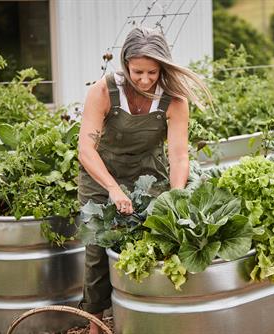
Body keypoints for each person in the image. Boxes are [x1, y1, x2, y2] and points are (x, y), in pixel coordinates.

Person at [77, 26, 211, 334]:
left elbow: (178, 156)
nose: (146, 79)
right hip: (101, 176)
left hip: (148, 176)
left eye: (153, 72)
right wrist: (112, 189)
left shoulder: (174, 100)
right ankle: (95, 325)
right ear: (125, 64)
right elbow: (86, 149)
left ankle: (146, 320)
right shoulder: (103, 91)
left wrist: (175, 199)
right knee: (98, 251)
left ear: (163, 67)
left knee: (150, 242)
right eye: (138, 71)